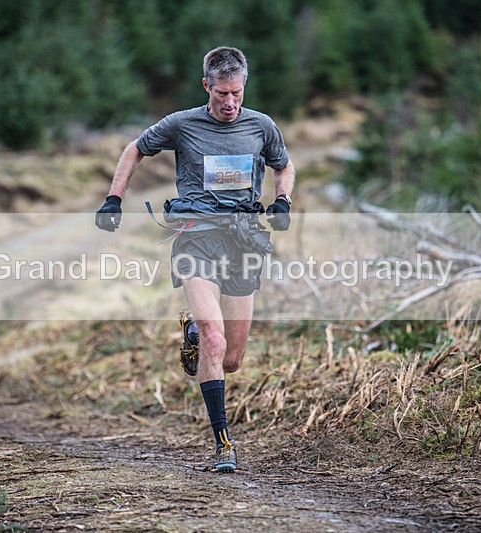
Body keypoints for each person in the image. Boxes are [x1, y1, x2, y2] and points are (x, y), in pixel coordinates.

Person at [95, 46, 295, 473]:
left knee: (232, 358)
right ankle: (224, 443)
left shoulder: (261, 126)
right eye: (222, 93)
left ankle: (190, 327)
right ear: (206, 86)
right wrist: (114, 198)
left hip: (243, 242)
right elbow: (135, 148)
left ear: (244, 87)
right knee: (215, 339)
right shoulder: (183, 124)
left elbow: (284, 165)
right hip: (196, 239)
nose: (229, 103)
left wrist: (283, 200)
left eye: (236, 94)